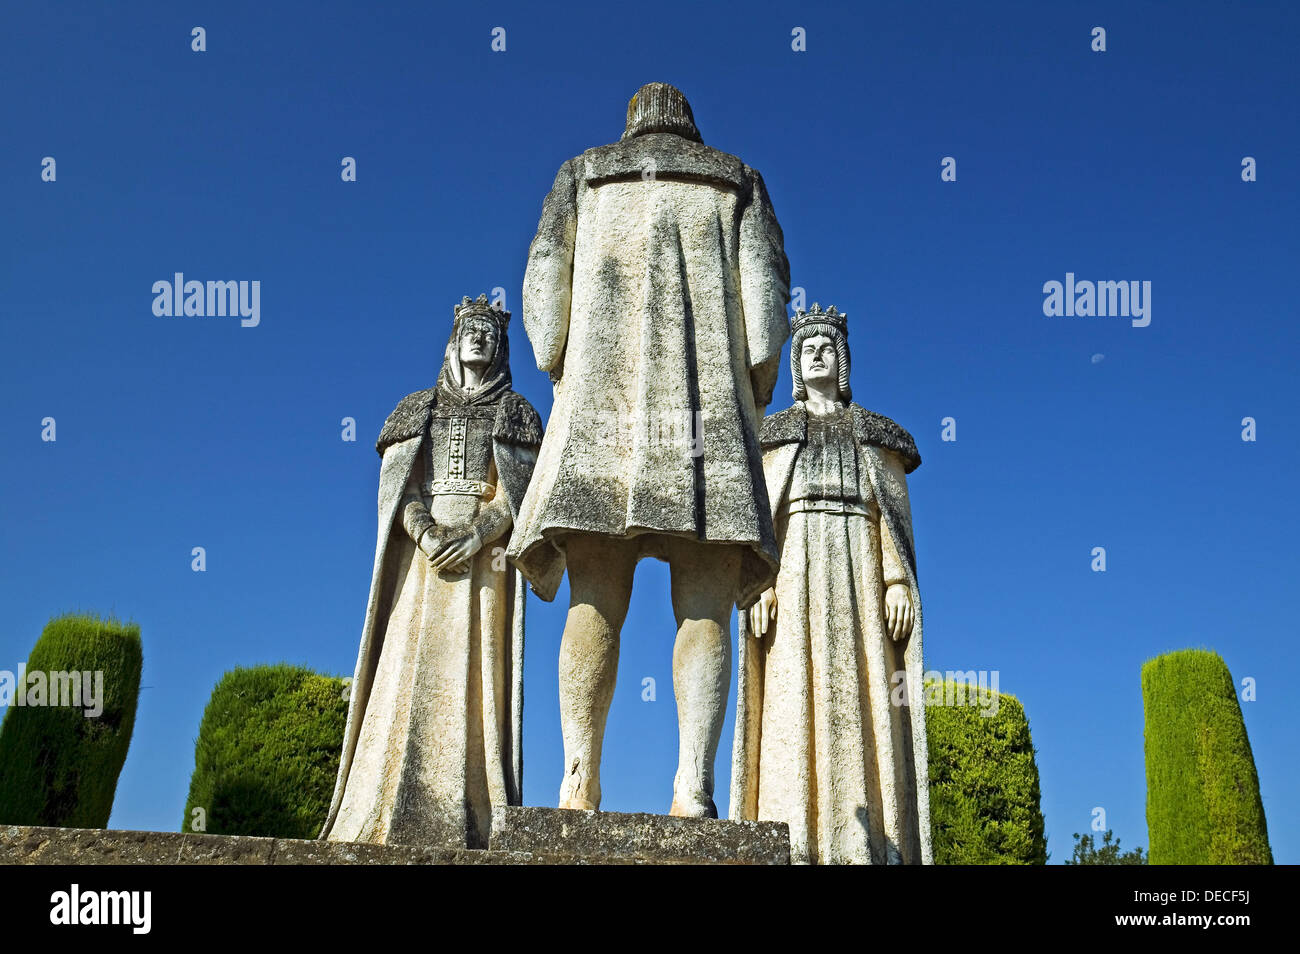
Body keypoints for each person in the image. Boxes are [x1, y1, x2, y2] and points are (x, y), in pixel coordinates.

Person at [507, 82, 791, 817]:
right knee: (705, 603)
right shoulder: (738, 181)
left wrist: (561, 361)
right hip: (707, 420)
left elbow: (543, 299)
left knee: (594, 593)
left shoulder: (583, 173)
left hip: (602, 413)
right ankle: (692, 786)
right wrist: (752, 389)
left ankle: (579, 777)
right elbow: (764, 320)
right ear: (690, 125)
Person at [320, 295, 542, 848]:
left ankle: (475, 811)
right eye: (470, 329)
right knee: (405, 671)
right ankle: (386, 800)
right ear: (453, 338)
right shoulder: (418, 408)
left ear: (500, 346)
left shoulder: (515, 414)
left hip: (483, 565)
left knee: (478, 677)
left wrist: (479, 533)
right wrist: (424, 532)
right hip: (421, 563)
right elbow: (404, 489)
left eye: (488, 332)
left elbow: (522, 497)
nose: (478, 339)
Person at [730, 303, 933, 864]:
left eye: (828, 348)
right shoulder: (777, 436)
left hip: (858, 580)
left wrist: (894, 579)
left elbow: (888, 518)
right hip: (795, 574)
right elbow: (760, 521)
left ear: (842, 361)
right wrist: (760, 585)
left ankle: (865, 841)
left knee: (865, 696)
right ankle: (792, 835)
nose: (819, 355)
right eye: (809, 348)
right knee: (791, 694)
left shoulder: (872, 436)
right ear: (797, 364)